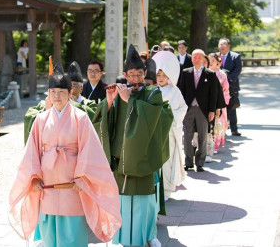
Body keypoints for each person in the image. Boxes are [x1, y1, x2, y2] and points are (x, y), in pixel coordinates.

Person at [9, 65, 121, 246]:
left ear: (70, 93)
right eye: (53, 92)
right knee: (49, 235)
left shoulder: (81, 117)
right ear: (48, 93)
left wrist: (82, 177)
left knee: (73, 234)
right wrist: (34, 177)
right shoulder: (41, 119)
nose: (56, 96)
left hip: (72, 186)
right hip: (47, 186)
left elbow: (90, 151)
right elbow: (32, 152)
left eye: (61, 91)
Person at [93, 44, 173, 247]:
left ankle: (148, 235)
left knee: (144, 203)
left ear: (145, 73)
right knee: (123, 202)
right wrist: (110, 102)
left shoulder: (151, 93)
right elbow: (101, 120)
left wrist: (131, 102)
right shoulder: (119, 94)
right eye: (131, 74)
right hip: (121, 160)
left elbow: (157, 118)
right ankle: (120, 239)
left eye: (139, 74)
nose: (136, 79)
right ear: (124, 75)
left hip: (143, 159)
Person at [24, 62, 97, 144]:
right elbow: (29, 118)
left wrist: (75, 105)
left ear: (81, 88)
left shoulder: (88, 104)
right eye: (54, 91)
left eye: (74, 85)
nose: (71, 87)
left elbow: (97, 120)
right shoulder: (46, 103)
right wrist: (45, 109)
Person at [153, 51, 187, 201]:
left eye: (163, 75)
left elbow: (183, 108)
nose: (160, 79)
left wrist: (168, 113)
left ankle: (166, 190)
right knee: (154, 161)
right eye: (158, 75)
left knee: (167, 162)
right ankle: (155, 187)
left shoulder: (175, 91)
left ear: (169, 76)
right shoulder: (152, 90)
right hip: (154, 131)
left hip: (169, 132)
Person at [180, 49, 218, 172]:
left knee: (203, 136)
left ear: (203, 60)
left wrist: (212, 110)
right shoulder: (186, 72)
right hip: (188, 108)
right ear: (191, 59)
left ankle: (200, 162)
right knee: (187, 136)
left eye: (199, 58)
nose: (196, 60)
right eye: (194, 57)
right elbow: (181, 91)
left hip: (203, 109)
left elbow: (213, 94)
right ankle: (188, 162)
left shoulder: (210, 74)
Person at [218, 38, 242, 136]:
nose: (222, 46)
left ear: (228, 46)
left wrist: (226, 79)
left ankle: (234, 129)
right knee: (219, 108)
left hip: (231, 85)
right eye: (220, 44)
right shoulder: (215, 56)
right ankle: (220, 129)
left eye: (224, 44)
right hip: (218, 86)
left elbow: (238, 69)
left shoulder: (235, 56)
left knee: (232, 107)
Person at [209, 53, 230, 152]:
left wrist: (222, 104)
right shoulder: (206, 72)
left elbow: (226, 90)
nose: (211, 63)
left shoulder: (221, 74)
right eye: (209, 60)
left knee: (218, 124)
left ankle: (216, 145)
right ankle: (208, 143)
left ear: (218, 63)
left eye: (213, 61)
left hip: (219, 102)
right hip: (208, 102)